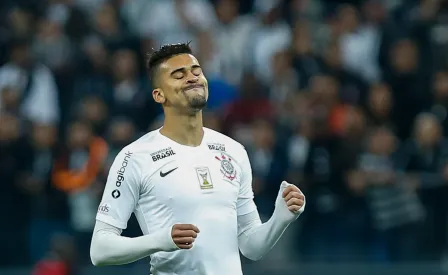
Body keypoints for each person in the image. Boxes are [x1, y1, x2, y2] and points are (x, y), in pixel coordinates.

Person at [89, 42, 306, 275]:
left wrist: (280, 218)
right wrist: (160, 240)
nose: (192, 78)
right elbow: (100, 250)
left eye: (196, 71)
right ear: (159, 94)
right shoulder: (135, 157)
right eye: (178, 75)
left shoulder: (233, 151)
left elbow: (250, 246)